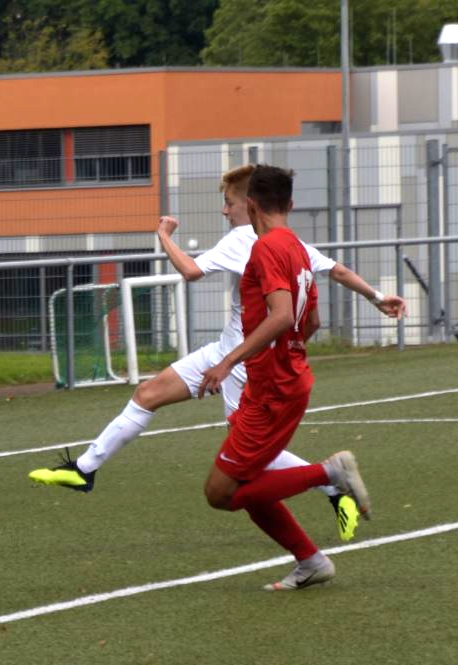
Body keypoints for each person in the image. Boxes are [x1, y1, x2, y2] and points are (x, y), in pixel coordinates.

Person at [29, 164, 403, 542]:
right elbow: (336, 273)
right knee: (148, 394)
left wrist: (164, 236)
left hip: (241, 361)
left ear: (249, 204)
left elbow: (190, 271)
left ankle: (331, 486)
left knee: (248, 455)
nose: (224, 211)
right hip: (226, 351)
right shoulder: (293, 244)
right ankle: (85, 467)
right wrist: (376, 297)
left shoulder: (245, 238)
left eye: (228, 203)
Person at [197, 164, 370, 590]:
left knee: (220, 494)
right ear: (289, 205)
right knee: (251, 483)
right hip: (286, 381)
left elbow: (282, 316)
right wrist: (288, 351)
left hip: (272, 389)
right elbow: (310, 320)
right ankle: (311, 562)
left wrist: (227, 362)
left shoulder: (266, 249)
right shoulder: (296, 246)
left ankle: (329, 474)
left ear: (251, 205)